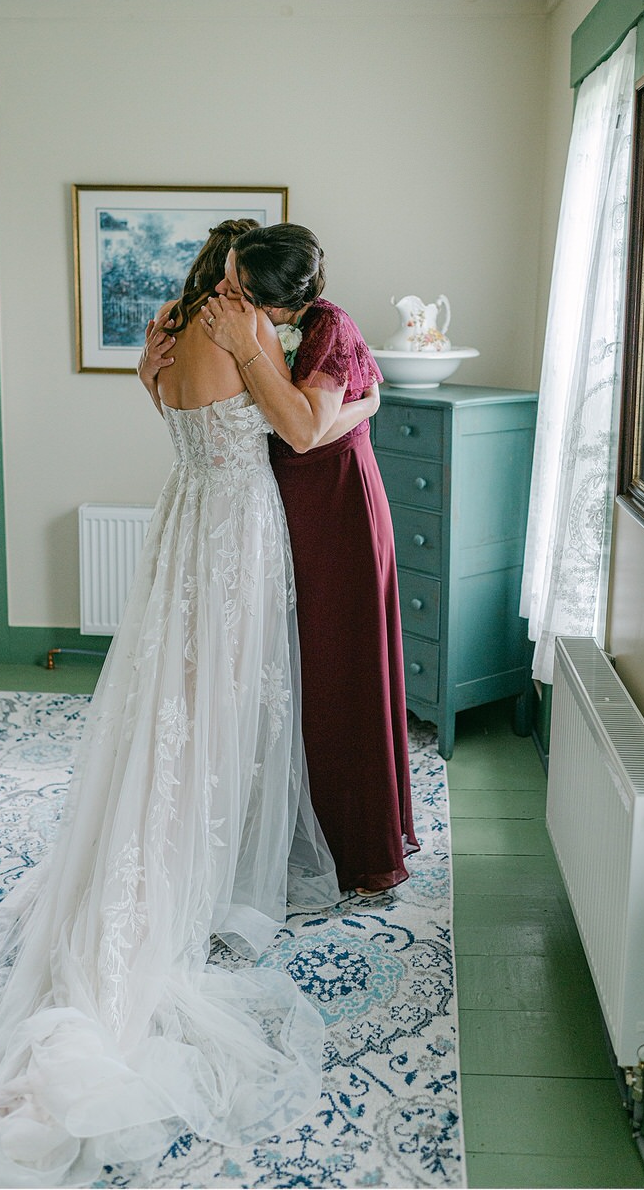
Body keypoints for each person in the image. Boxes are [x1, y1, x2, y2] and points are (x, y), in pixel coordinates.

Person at [0, 219, 341, 1189]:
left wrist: (157, 377)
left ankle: (167, 849)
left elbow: (171, 408)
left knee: (168, 707)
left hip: (181, 522)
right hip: (228, 539)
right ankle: (179, 876)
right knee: (214, 713)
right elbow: (299, 429)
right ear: (253, 286)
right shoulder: (244, 335)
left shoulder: (175, 326)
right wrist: (290, 366)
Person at [139, 224, 419, 894]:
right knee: (263, 673)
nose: (227, 293)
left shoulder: (325, 327)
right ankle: (242, 829)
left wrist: (363, 402)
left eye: (240, 286)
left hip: (334, 507)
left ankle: (354, 840)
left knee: (334, 668)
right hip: (265, 509)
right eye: (228, 277)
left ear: (279, 301)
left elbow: (301, 429)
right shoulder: (221, 326)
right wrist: (367, 402)